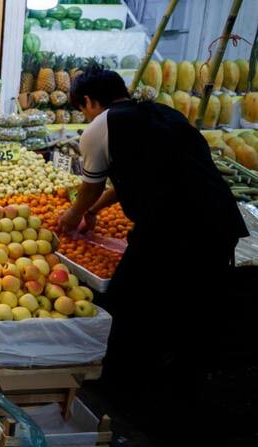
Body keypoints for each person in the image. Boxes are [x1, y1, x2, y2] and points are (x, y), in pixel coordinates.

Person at [57, 68, 247, 407]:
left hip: (174, 227)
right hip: (220, 220)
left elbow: (91, 186)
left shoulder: (101, 126)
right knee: (194, 301)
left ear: (88, 101)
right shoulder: (162, 113)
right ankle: (181, 383)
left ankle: (125, 387)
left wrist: (72, 216)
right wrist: (96, 210)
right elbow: (133, 176)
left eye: (81, 108)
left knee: (130, 297)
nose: (84, 114)